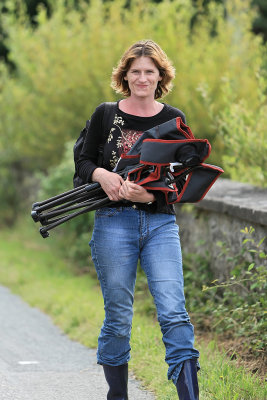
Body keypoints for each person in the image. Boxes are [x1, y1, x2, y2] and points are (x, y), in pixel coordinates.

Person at [77, 40, 200, 400]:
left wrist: (152, 194)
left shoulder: (173, 119)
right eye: (136, 72)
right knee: (118, 316)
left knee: (174, 311)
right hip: (113, 223)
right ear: (125, 76)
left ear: (161, 75)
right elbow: (82, 163)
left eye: (150, 71)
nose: (142, 78)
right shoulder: (104, 114)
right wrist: (103, 175)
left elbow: (183, 176)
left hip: (160, 224)